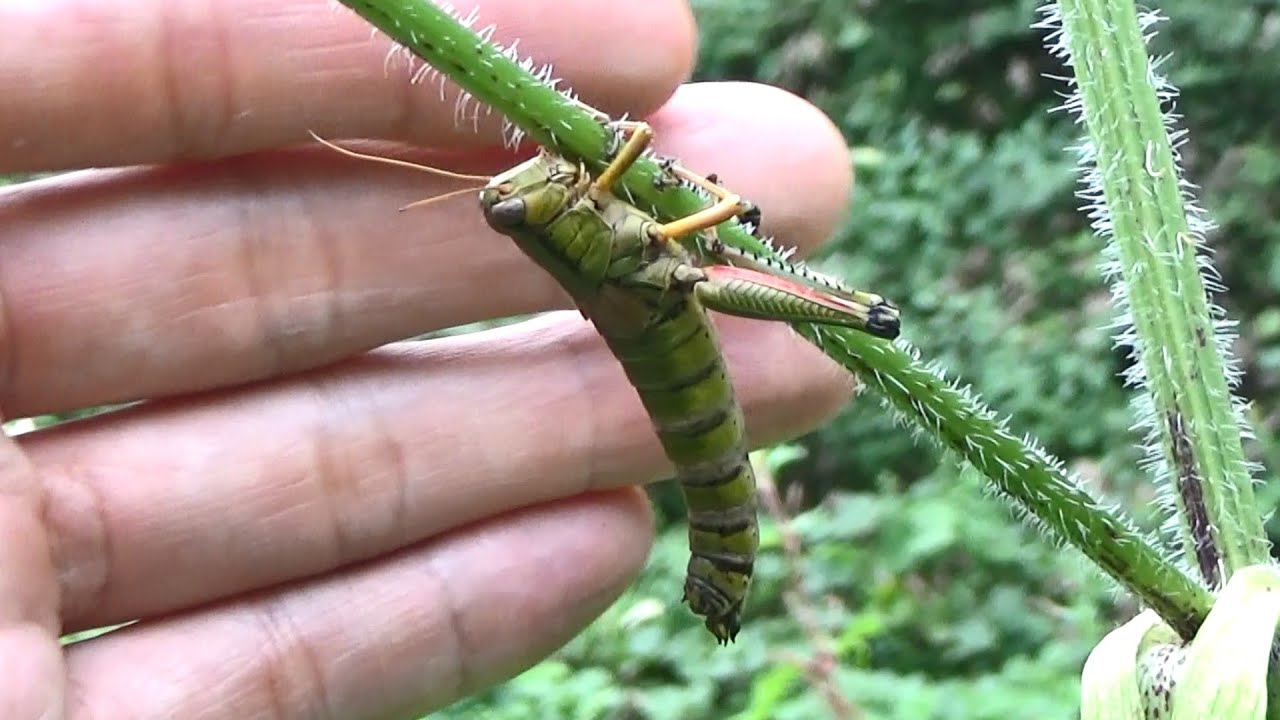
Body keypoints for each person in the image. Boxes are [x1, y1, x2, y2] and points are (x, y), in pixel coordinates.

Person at [0, 1, 860, 716]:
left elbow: (650, 172)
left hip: (661, 299)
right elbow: (651, 163)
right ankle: (725, 549)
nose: (527, 188)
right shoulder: (609, 226)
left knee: (774, 301)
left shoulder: (592, 223)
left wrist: (709, 204)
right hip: (679, 347)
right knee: (798, 308)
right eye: (517, 208)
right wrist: (713, 202)